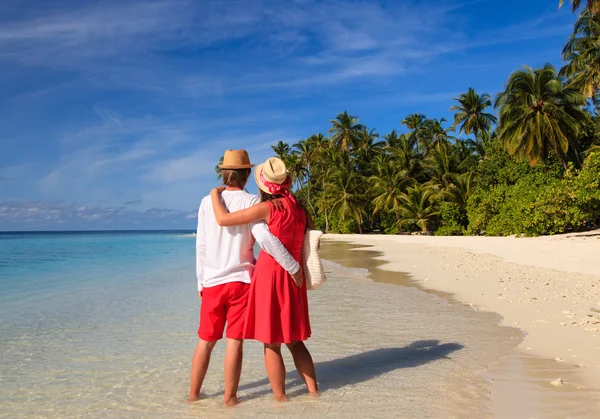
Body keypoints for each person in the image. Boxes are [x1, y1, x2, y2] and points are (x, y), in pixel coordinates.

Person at [190, 150, 303, 406]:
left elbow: (202, 246)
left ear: (223, 173)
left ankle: (193, 396)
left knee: (205, 342)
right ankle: (230, 399)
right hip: (242, 280)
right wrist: (293, 266)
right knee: (234, 342)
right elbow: (264, 238)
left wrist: (200, 281)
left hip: (212, 282)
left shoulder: (207, 202)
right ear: (248, 174)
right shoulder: (253, 201)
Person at [210, 156, 318, 402]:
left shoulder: (267, 209)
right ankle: (314, 393)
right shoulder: (300, 208)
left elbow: (223, 219)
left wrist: (214, 195)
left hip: (271, 275)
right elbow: (310, 235)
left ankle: (280, 399)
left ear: (263, 185)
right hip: (295, 276)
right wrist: (294, 266)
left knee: (271, 343)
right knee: (294, 340)